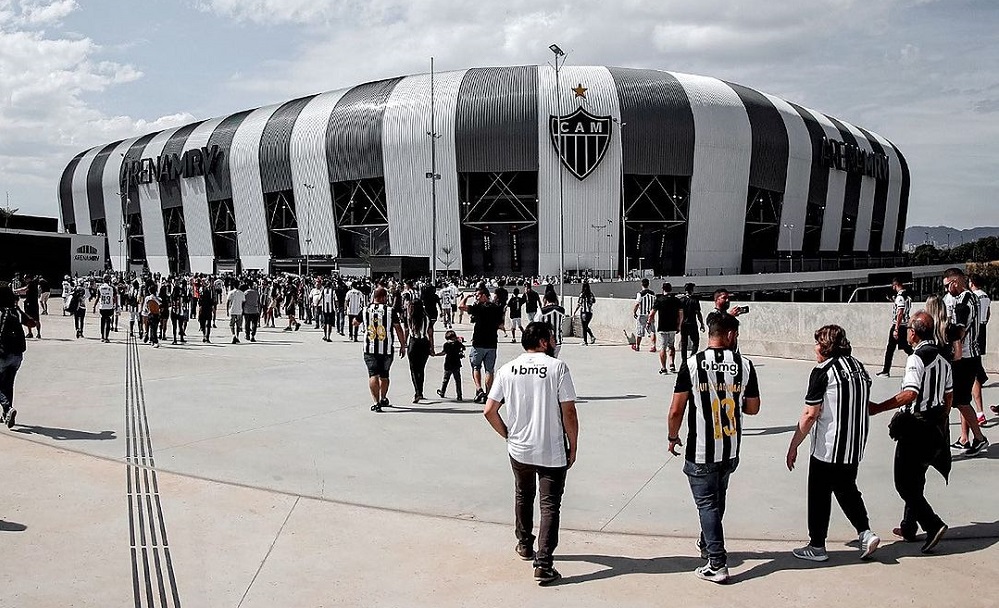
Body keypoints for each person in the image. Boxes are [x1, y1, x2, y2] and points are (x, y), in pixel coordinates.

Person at [483, 321, 579, 585]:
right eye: (552, 337)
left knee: (523, 495)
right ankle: (544, 563)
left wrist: (508, 434)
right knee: (549, 505)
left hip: (520, 449)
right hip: (551, 449)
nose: (555, 341)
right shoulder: (557, 368)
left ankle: (525, 545)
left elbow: (489, 410)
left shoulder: (506, 369)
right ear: (543, 341)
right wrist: (574, 444)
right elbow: (569, 411)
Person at [667, 313, 761, 584]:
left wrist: (672, 436)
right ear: (730, 335)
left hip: (701, 450)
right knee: (717, 500)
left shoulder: (692, 364)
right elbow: (753, 408)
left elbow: (676, 409)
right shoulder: (745, 364)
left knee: (707, 504)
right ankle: (707, 543)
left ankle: (717, 563)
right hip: (730, 448)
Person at [785, 325, 880, 562]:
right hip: (854, 443)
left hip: (829, 445)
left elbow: (810, 414)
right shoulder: (859, 367)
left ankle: (817, 545)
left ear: (826, 347)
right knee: (847, 488)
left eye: (818, 343)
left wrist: (794, 444)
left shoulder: (822, 372)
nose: (815, 347)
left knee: (819, 494)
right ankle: (865, 533)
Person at [869, 311, 952, 553]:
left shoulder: (916, 359)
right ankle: (908, 526)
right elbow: (949, 397)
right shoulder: (944, 359)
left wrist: (878, 408)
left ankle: (932, 524)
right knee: (917, 478)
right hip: (935, 426)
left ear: (913, 333)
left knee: (904, 484)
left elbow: (911, 393)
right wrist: (941, 421)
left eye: (908, 329)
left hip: (916, 428)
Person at [942, 268, 988, 455]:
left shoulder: (964, 301)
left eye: (947, 286)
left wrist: (945, 332)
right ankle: (965, 438)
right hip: (969, 355)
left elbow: (959, 331)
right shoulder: (971, 298)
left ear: (955, 282)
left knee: (960, 400)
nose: (946, 290)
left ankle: (979, 437)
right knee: (963, 398)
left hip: (966, 357)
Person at [361, 287, 407, 412]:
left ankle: (376, 402)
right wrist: (403, 345)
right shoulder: (390, 311)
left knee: (373, 374)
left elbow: (355, 322)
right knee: (384, 375)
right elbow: (398, 329)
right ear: (383, 297)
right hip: (386, 350)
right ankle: (383, 397)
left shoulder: (365, 310)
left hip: (369, 348)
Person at [460, 287, 504, 404]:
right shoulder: (496, 308)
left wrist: (466, 297)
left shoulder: (478, 308)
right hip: (491, 343)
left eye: (478, 295)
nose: (477, 297)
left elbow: (461, 306)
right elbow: (501, 324)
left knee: (476, 367)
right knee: (489, 370)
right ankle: (488, 394)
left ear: (485, 295)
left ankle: (479, 390)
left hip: (478, 342)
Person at [0, 283, 27, 429]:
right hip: (17, 354)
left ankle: (7, 408)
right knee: (8, 384)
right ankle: (6, 413)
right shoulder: (14, 311)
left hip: (3, 353)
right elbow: (30, 322)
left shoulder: (1, 312)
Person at [876, 277, 913, 377]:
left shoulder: (900, 297)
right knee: (905, 347)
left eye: (893, 286)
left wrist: (896, 328)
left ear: (895, 285)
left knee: (890, 349)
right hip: (904, 325)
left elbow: (900, 313)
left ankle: (885, 371)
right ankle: (917, 359)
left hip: (899, 325)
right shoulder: (907, 297)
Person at [968, 273, 991, 425]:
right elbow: (987, 314)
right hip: (982, 327)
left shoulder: (972, 297)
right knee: (978, 355)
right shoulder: (986, 297)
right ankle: (980, 375)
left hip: (974, 329)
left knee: (973, 358)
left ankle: (980, 376)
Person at [649, 282, 683, 374]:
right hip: (673, 326)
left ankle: (663, 368)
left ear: (662, 289)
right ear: (671, 289)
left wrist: (649, 322)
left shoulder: (659, 300)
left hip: (662, 327)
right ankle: (672, 364)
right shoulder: (676, 300)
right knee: (671, 345)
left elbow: (652, 313)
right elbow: (681, 314)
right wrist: (679, 326)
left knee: (662, 347)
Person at [406, 299, 432, 403]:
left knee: (413, 369)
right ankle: (420, 392)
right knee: (421, 369)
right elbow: (430, 333)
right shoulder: (426, 317)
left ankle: (417, 392)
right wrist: (432, 347)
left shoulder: (409, 317)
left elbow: (407, 331)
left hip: (413, 343)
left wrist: (403, 344)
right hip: (424, 343)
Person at [434, 330, 465, 401]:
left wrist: (436, 354)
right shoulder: (458, 344)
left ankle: (442, 392)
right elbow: (463, 348)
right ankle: (459, 395)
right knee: (458, 380)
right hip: (456, 364)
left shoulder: (446, 345)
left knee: (445, 380)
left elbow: (443, 353)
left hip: (448, 364)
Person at [679, 283, 705, 361]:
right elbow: (698, 313)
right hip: (692, 323)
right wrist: (702, 323)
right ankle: (692, 356)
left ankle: (684, 360)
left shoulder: (681, 300)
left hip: (683, 324)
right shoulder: (695, 300)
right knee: (696, 342)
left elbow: (679, 313)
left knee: (684, 343)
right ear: (692, 290)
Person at [632, 278, 657, 352]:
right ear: (648, 284)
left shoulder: (640, 294)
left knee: (640, 331)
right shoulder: (653, 293)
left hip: (642, 314)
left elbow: (637, 304)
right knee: (652, 331)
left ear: (642, 284)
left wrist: (634, 312)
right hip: (650, 314)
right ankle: (653, 346)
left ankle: (637, 346)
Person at [539, 292, 566, 358]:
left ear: (546, 299)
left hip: (546, 341)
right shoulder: (561, 310)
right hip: (558, 340)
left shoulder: (543, 311)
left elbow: (538, 323)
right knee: (554, 359)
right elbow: (562, 321)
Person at [94, 275, 117, 343]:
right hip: (109, 307)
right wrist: (115, 305)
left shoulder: (100, 288)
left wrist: (94, 306)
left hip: (102, 307)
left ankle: (102, 337)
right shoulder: (112, 288)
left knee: (102, 321)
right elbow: (115, 297)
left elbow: (98, 298)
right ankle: (106, 337)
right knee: (108, 322)